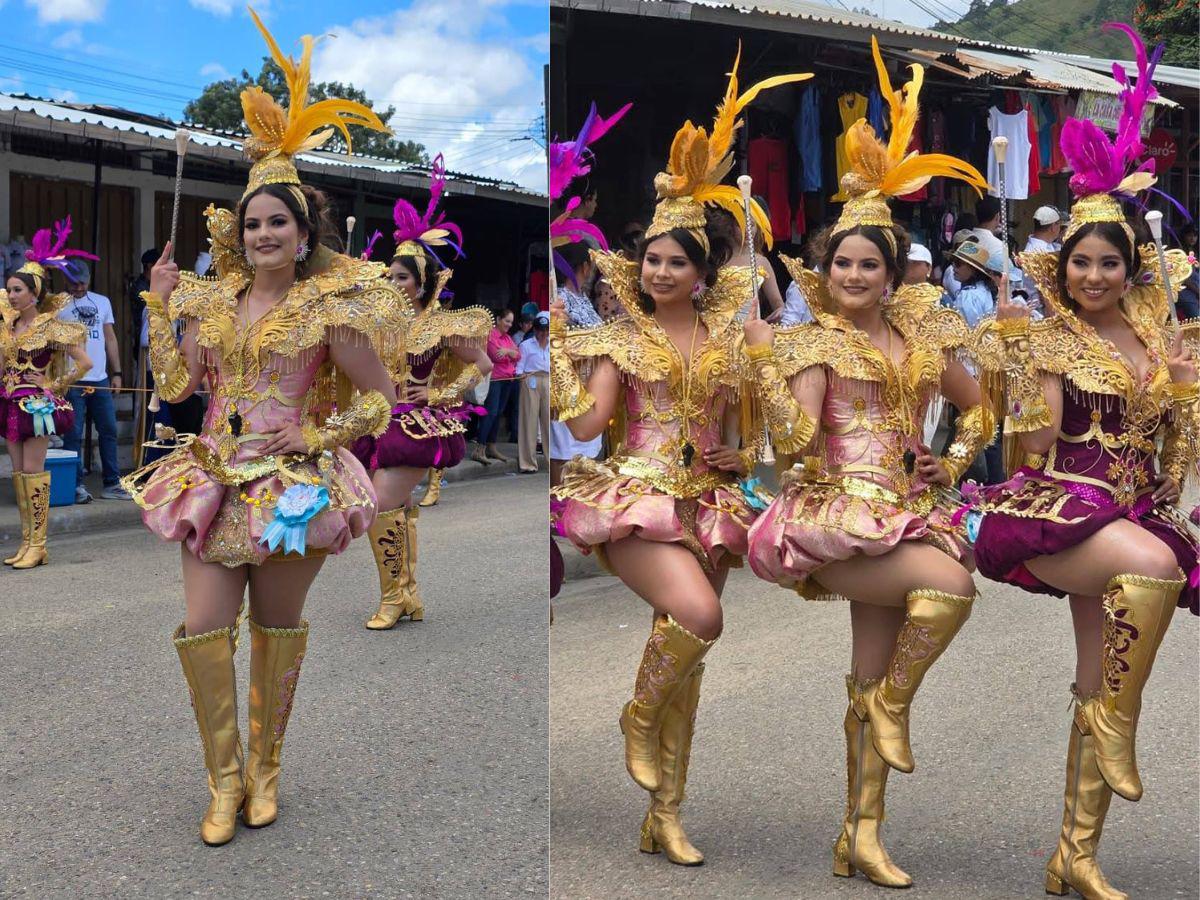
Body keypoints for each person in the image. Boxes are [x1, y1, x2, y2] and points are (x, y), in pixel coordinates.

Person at [120, 12, 405, 846]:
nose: (263, 235)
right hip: (212, 475)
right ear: (239, 237)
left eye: (278, 222)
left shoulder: (331, 312)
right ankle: (223, 780)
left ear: (303, 235)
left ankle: (268, 770)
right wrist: (165, 308)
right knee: (207, 631)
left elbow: (379, 403)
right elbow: (174, 388)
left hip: (292, 486)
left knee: (277, 635)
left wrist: (314, 439)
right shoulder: (209, 303)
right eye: (252, 225)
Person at [743, 38, 992, 888]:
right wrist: (769, 371)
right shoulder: (811, 340)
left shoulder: (922, 333)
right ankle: (891, 718)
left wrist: (951, 462)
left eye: (869, 264)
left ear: (893, 274)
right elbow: (797, 444)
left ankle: (861, 833)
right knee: (948, 590)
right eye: (841, 262)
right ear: (825, 269)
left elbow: (982, 403)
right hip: (832, 513)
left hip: (903, 504)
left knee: (869, 669)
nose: (853, 274)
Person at [551, 58, 809, 867]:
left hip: (715, 500)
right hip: (634, 496)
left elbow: (788, 400)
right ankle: (634, 718)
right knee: (700, 619)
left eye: (678, 262)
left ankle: (667, 810)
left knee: (687, 657)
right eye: (653, 260)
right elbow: (591, 423)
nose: (662, 271)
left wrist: (754, 447)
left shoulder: (736, 334)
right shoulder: (621, 339)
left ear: (704, 273)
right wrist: (560, 356)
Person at [966, 26, 1197, 897]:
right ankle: (1122, 728)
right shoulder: (1051, 342)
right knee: (1150, 571)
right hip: (1059, 510)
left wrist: (1183, 396)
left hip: (1135, 509)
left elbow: (1177, 468)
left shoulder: (1160, 338)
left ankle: (1076, 853)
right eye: (1080, 263)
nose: (1094, 274)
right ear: (1059, 272)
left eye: (1109, 262)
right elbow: (1030, 450)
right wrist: (1021, 369)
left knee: (1095, 670)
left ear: (1133, 268)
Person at [352, 156, 493, 629]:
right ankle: (407, 594)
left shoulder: (438, 326)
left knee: (380, 504)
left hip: (415, 424)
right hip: (379, 422)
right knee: (399, 507)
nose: (393, 284)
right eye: (389, 276)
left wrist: (439, 394)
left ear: (421, 283)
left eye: (403, 277)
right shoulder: (376, 324)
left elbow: (484, 365)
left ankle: (393, 598)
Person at [1, 219, 93, 568]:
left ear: (34, 293)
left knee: (34, 472)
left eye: (17, 291)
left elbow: (84, 362)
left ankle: (39, 545)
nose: (11, 296)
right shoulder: (8, 326)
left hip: (35, 406)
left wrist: (54, 386)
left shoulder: (50, 327)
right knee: (19, 474)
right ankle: (26, 543)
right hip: (9, 402)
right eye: (9, 290)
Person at [58, 258, 130, 501]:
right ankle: (75, 485)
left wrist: (117, 373)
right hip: (72, 379)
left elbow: (110, 338)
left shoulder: (102, 301)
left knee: (108, 430)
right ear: (65, 281)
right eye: (73, 283)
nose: (78, 288)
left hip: (100, 378)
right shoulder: (58, 305)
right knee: (73, 433)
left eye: (82, 283)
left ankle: (112, 483)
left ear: (89, 280)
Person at [470, 308, 521, 474]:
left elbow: (518, 355)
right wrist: (509, 353)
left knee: (498, 413)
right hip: (495, 379)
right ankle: (479, 448)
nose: (509, 325)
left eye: (511, 322)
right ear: (498, 319)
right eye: (507, 321)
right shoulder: (490, 336)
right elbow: (495, 355)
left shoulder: (506, 338)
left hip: (507, 379)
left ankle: (491, 446)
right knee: (490, 412)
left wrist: (507, 351)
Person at [516, 312, 550, 474]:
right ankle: (528, 462)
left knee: (549, 421)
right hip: (531, 379)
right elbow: (519, 367)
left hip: (548, 379)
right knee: (529, 420)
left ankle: (552, 460)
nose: (543, 333)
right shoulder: (526, 345)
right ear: (535, 330)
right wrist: (520, 375)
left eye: (546, 330)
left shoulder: (553, 344)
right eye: (540, 330)